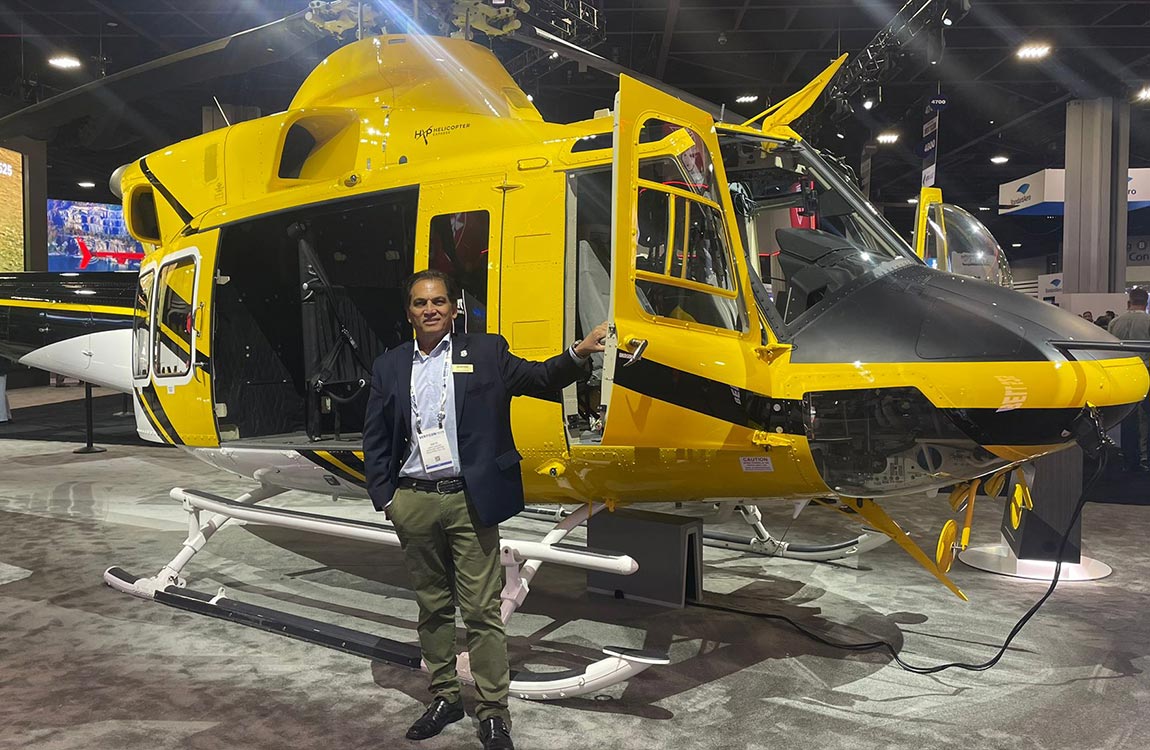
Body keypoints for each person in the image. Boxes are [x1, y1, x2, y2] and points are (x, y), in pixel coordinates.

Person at [363, 269, 608, 750]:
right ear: (408, 311)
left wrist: (578, 352)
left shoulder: (486, 352)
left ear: (454, 308)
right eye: (419, 303)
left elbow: (540, 378)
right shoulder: (390, 365)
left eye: (438, 302)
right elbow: (374, 437)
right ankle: (445, 697)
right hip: (413, 499)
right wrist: (388, 499)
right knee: (431, 607)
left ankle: (493, 711)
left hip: (468, 499)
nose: (430, 310)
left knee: (480, 610)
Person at [1109, 287, 1150, 471]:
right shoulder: (1148, 321)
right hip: (1146, 371)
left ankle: (1128, 456)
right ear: (1146, 301)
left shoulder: (1115, 322)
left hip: (1121, 373)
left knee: (1126, 415)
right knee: (1145, 417)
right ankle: (1143, 456)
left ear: (1129, 301)